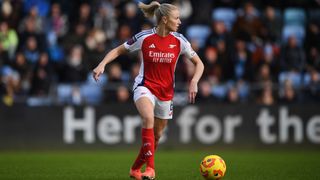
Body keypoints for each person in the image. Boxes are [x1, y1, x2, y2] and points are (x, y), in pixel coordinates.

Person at [93, 1, 204, 180]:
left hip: (166, 94)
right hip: (144, 86)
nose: (180, 21)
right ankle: (151, 169)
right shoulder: (144, 37)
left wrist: (194, 81)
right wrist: (102, 64)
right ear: (165, 19)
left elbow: (199, 63)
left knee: (157, 136)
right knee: (148, 118)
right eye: (177, 18)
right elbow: (118, 50)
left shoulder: (180, 40)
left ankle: (135, 168)